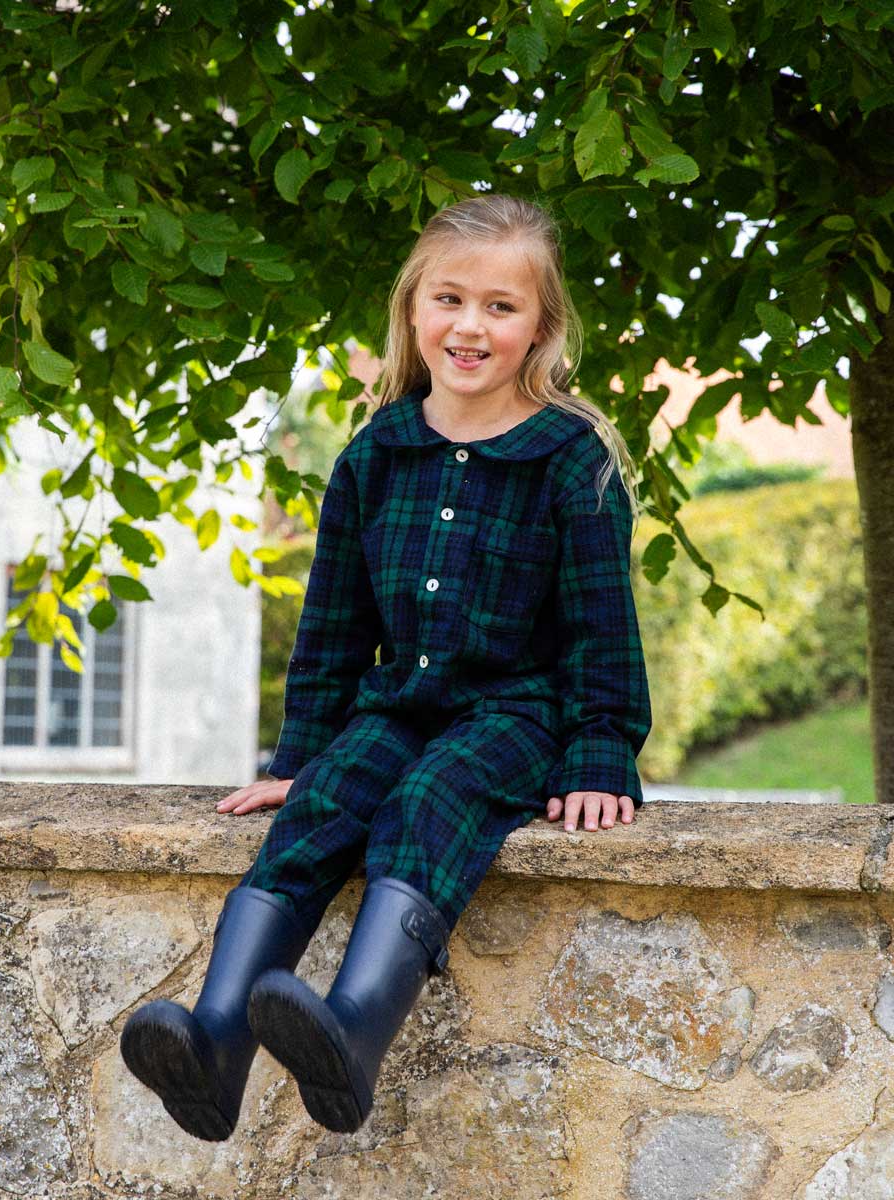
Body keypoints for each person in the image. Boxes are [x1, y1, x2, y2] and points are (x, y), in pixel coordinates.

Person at [120, 193, 652, 1143]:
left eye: (501, 306)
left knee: (426, 801)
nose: (470, 326)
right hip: (397, 706)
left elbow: (601, 628)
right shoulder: (375, 455)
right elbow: (332, 629)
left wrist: (601, 752)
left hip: (514, 716)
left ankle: (356, 1031)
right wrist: (299, 760)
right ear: (414, 308)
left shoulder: (571, 460)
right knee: (323, 808)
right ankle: (215, 1046)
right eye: (450, 299)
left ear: (540, 328)